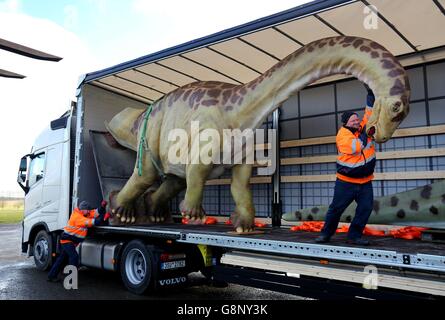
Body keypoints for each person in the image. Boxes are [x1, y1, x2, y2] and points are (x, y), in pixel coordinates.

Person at [315, 86, 376, 246]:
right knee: (336, 209)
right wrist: (367, 133)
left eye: (357, 119)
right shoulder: (343, 135)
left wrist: (370, 95)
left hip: (366, 182)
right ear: (346, 123)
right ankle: (326, 234)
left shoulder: (360, 128)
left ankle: (354, 236)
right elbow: (358, 146)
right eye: (353, 120)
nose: (357, 121)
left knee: (365, 209)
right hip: (346, 182)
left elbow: (369, 113)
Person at [47, 200, 109, 282]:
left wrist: (102, 206)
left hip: (70, 241)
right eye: (88, 210)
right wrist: (104, 217)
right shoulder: (78, 218)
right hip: (67, 240)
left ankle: (51, 276)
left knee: (61, 258)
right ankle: (71, 280)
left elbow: (95, 212)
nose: (89, 211)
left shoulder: (84, 213)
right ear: (83, 209)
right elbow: (95, 222)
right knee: (74, 257)